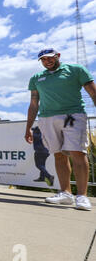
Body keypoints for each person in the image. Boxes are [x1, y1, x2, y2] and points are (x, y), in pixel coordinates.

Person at [25, 48, 96, 211]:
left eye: (49, 58)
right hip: (47, 118)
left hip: (73, 115)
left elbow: (93, 92)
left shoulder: (76, 70)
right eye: (43, 60)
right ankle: (65, 193)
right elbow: (34, 103)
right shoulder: (36, 78)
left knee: (77, 152)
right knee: (58, 155)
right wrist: (28, 127)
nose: (47, 61)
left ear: (58, 56)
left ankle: (82, 196)